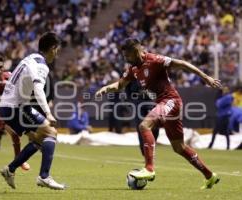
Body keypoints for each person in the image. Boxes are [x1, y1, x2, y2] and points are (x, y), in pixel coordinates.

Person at [95, 38, 222, 189]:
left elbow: (181, 63)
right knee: (179, 147)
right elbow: (120, 84)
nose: (126, 59)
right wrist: (106, 88)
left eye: (127, 55)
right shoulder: (133, 69)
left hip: (170, 101)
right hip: (163, 103)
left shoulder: (155, 60)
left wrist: (206, 77)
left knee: (144, 125)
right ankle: (210, 176)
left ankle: (149, 169)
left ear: (136, 52)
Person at [0, 32, 66, 190]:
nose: (57, 53)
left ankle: (10, 169)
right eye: (57, 50)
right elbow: (38, 88)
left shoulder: (29, 58)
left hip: (10, 106)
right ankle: (44, 177)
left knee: (39, 138)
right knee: (51, 133)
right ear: (52, 48)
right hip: (16, 106)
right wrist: (48, 113)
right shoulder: (41, 65)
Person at [125, 79, 159, 156]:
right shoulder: (132, 72)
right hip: (137, 102)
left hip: (152, 102)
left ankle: (152, 146)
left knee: (155, 127)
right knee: (141, 127)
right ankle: (145, 153)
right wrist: (131, 102)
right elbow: (127, 89)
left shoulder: (151, 70)